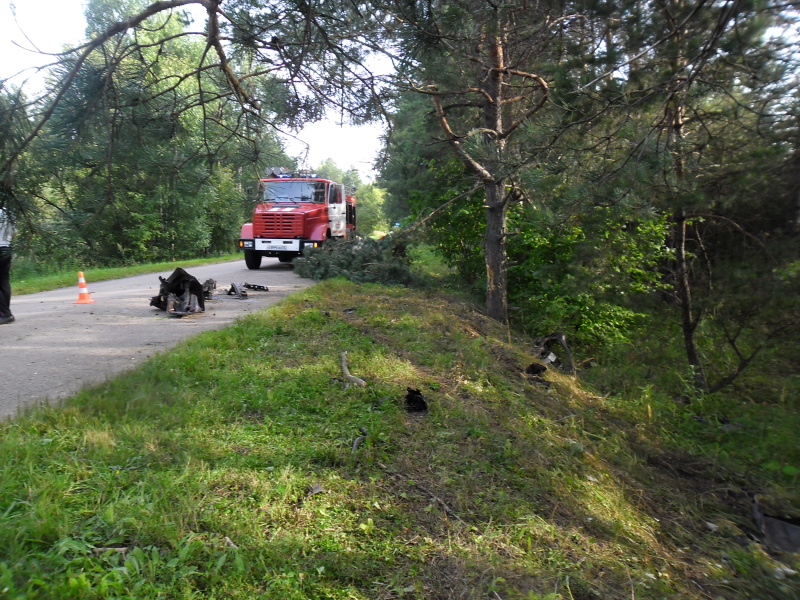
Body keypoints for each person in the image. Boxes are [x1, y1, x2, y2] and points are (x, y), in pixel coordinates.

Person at [0, 207, 16, 325]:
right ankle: (5, 312)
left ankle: (5, 313)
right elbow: (15, 231)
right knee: (4, 281)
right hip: (7, 248)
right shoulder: (8, 210)